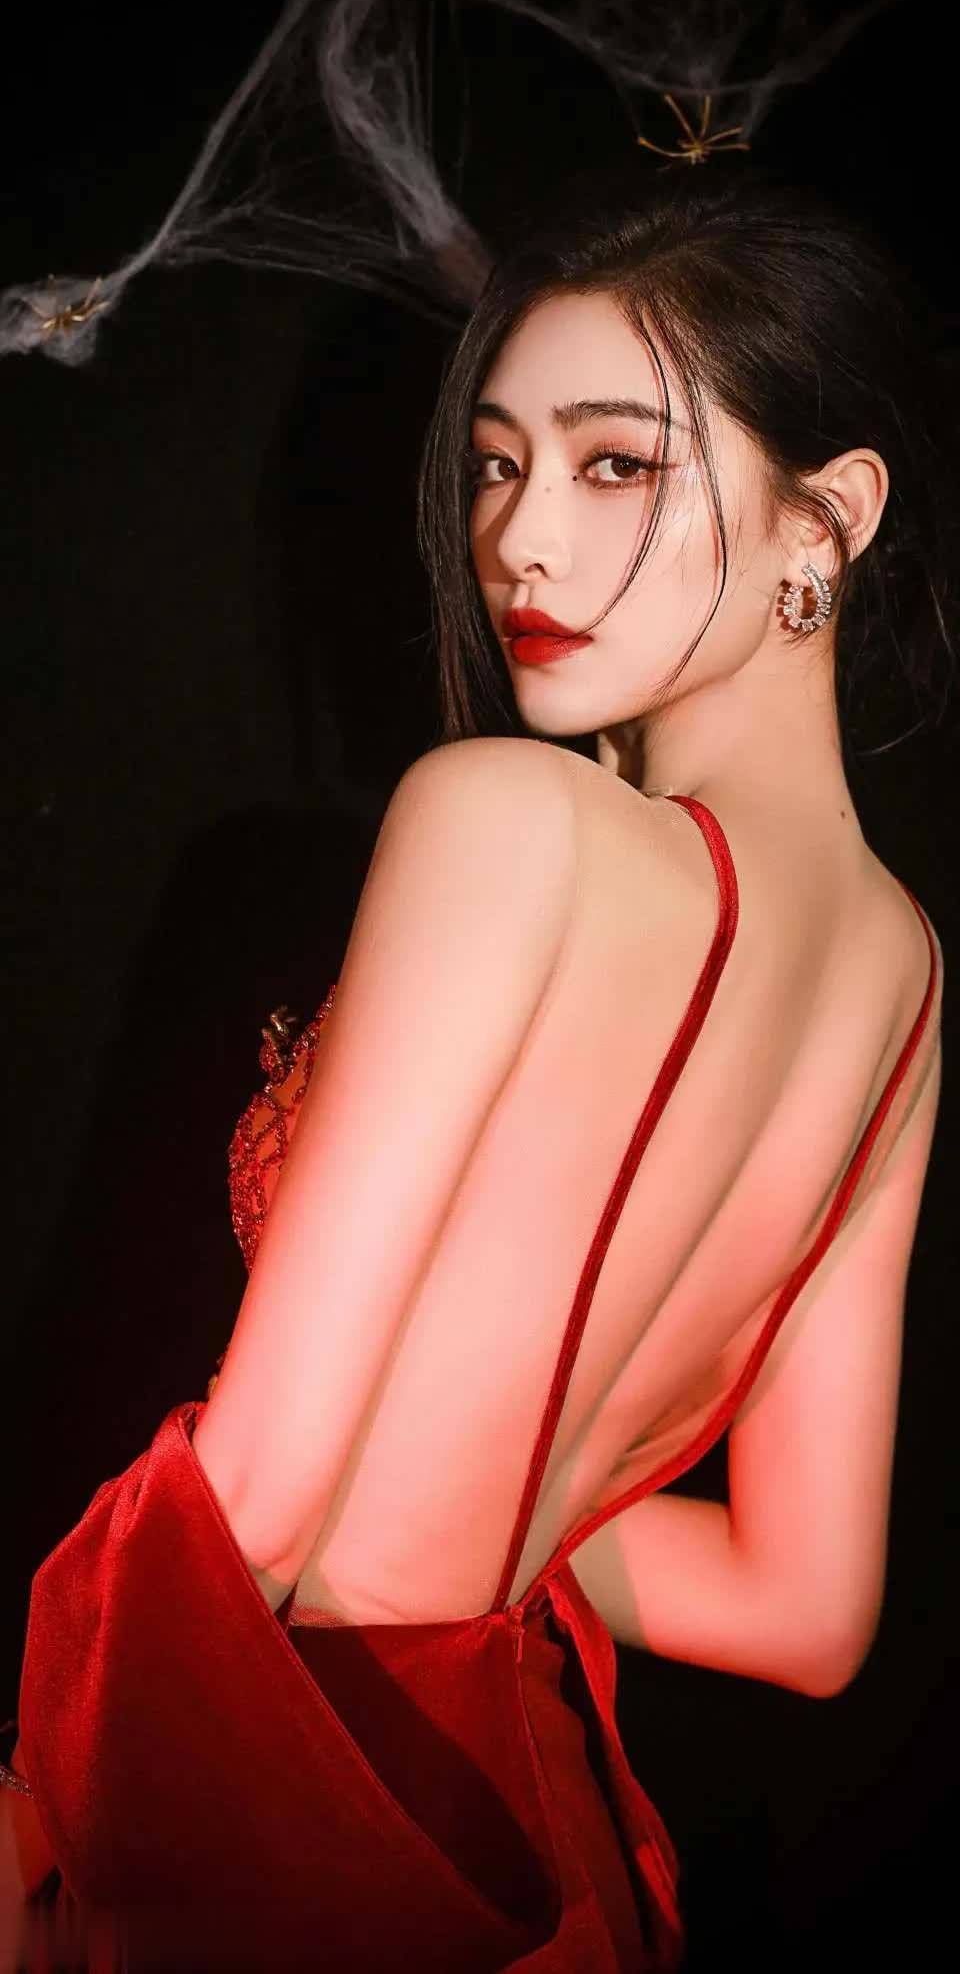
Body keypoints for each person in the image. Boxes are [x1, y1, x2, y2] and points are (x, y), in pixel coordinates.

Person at [1, 155, 948, 1968]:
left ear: (826, 522)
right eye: (500, 464)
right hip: (518, 1809)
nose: (521, 539)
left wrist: (32, 1807)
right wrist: (507, 1504)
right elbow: (805, 1610)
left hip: (281, 1788)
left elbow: (259, 1495)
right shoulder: (906, 983)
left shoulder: (506, 820)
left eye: (616, 463)